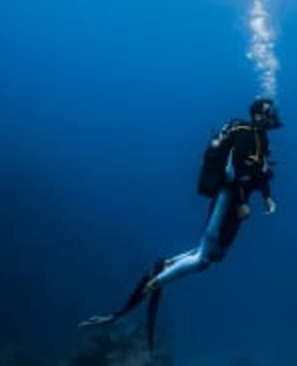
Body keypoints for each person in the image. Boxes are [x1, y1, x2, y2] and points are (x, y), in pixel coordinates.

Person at [78, 98, 282, 350]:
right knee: (204, 258)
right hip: (226, 200)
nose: (271, 116)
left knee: (214, 255)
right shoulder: (246, 137)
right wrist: (240, 200)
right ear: (257, 115)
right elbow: (231, 171)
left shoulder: (263, 140)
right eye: (267, 112)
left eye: (271, 112)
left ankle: (166, 266)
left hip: (235, 206)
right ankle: (152, 285)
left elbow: (259, 172)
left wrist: (267, 197)